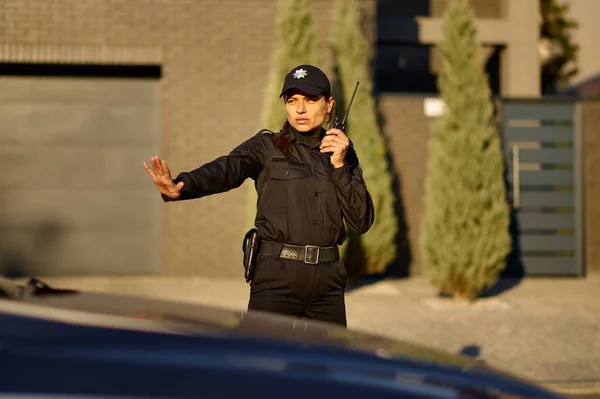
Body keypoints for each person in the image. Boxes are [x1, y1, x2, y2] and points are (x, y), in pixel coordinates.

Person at [143, 64, 374, 327]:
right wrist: (182, 184)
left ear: (329, 104)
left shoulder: (342, 153)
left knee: (325, 365)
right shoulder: (267, 147)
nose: (300, 109)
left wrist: (341, 166)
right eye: (292, 100)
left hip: (328, 283)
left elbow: (361, 221)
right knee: (265, 363)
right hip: (276, 279)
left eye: (310, 100)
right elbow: (228, 168)